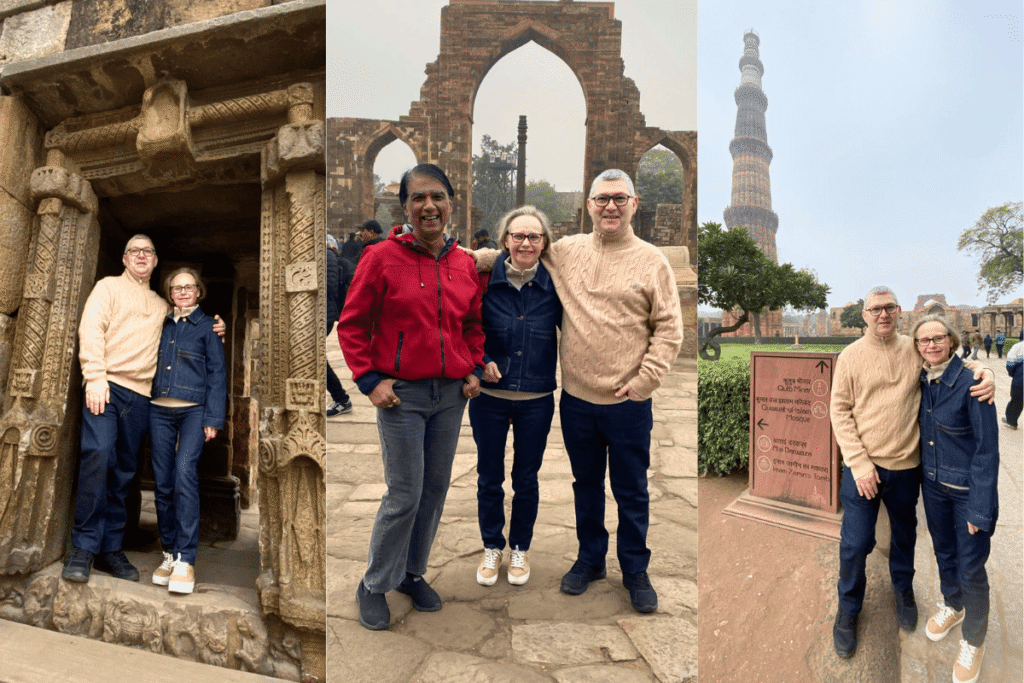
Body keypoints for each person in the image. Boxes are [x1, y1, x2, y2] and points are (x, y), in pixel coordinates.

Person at [472, 169, 683, 613]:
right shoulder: (565, 253)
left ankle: (634, 569)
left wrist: (644, 380)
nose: (610, 206)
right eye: (602, 199)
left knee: (630, 489)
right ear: (589, 205)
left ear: (634, 203)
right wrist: (464, 260)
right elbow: (517, 251)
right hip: (578, 400)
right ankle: (590, 559)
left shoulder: (652, 261)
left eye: (619, 198)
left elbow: (668, 330)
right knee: (585, 484)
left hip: (628, 400)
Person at [338, 163, 484, 631]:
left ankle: (411, 573)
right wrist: (368, 379)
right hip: (402, 396)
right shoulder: (381, 257)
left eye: (437, 196)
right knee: (405, 493)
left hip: (449, 396)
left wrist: (474, 366)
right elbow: (353, 323)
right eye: (418, 198)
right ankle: (375, 582)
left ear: (450, 203)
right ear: (405, 206)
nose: (429, 206)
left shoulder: (462, 263)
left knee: (435, 491)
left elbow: (472, 324)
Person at [830, 287, 993, 658]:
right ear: (865, 315)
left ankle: (903, 590)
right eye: (875, 309)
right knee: (855, 544)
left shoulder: (911, 348)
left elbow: (945, 361)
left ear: (900, 311)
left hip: (906, 466)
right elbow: (839, 411)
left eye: (889, 307)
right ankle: (848, 608)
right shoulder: (851, 356)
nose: (882, 314)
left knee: (905, 537)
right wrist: (858, 462)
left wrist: (981, 370)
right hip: (863, 469)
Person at [63, 235, 225, 584]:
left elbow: (190, 328)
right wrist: (94, 377)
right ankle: (84, 547)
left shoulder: (162, 308)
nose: (141, 255)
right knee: (98, 456)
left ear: (154, 262)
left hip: (141, 397)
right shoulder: (107, 288)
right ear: (124, 259)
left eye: (148, 251)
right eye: (134, 251)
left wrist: (217, 329)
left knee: (124, 471)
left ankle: (111, 548)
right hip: (105, 388)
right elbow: (90, 329)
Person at [471, 206, 561, 588]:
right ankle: (492, 545)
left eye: (534, 236)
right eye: (518, 235)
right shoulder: (483, 280)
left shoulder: (558, 283)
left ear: (544, 243)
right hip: (490, 397)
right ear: (505, 239)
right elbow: (467, 326)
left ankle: (519, 546)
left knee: (526, 478)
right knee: (489, 477)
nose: (526, 242)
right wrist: (481, 361)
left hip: (536, 398)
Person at [912, 316, 998, 683]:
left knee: (971, 568)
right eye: (923, 340)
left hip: (965, 491)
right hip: (933, 485)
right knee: (944, 553)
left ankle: (974, 640)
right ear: (916, 347)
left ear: (950, 340)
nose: (931, 345)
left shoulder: (972, 383)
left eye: (937, 338)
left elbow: (986, 450)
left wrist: (980, 507)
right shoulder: (921, 379)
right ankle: (952, 604)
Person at [148, 268, 227, 595]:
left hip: (194, 411)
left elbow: (217, 374)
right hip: (158, 410)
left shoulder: (210, 327)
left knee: (184, 474)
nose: (182, 291)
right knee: (163, 483)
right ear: (170, 292)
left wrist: (213, 417)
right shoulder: (160, 323)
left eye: (188, 287)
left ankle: (186, 558)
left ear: (198, 291)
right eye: (176, 287)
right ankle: (169, 553)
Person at [326, 235, 353, 416]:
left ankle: (341, 399)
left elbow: (327, 287)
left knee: (313, 358)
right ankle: (340, 398)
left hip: (323, 314)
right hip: (327, 313)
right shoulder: (329, 255)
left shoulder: (325, 255)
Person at [1004, 340, 1023, 429]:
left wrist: (1014, 374)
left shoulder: (1018, 346)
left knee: (1016, 401)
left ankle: (1011, 422)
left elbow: (1010, 364)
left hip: (1020, 379)